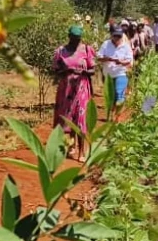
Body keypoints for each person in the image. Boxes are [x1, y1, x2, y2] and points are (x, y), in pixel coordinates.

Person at [52, 25, 97, 162]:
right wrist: (66, 71)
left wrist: (83, 72)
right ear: (69, 37)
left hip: (82, 88)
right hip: (66, 90)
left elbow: (92, 70)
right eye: (74, 39)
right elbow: (55, 70)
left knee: (81, 118)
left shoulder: (86, 50)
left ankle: (82, 152)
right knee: (68, 117)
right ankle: (71, 146)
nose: (76, 41)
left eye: (78, 39)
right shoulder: (61, 51)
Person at [98, 24, 133, 118]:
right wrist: (107, 59)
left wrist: (121, 62)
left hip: (120, 72)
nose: (117, 38)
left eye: (119, 36)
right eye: (115, 35)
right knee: (110, 96)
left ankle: (118, 116)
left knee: (119, 93)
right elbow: (99, 57)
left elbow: (129, 60)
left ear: (122, 36)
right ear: (111, 35)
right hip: (108, 75)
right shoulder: (106, 44)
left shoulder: (125, 46)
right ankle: (111, 113)